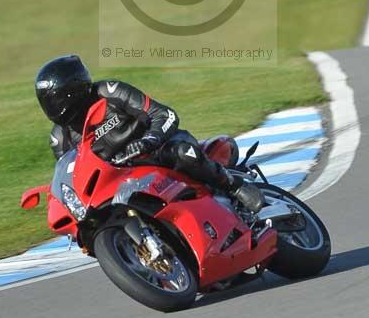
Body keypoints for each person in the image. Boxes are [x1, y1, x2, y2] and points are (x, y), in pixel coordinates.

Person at [35, 54, 263, 213]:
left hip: (159, 149)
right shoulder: (60, 138)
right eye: (47, 100)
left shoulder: (109, 92)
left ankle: (234, 186)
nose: (52, 106)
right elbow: (74, 178)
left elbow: (165, 115)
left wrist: (148, 141)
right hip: (122, 180)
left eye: (55, 98)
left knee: (183, 153)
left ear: (73, 92)